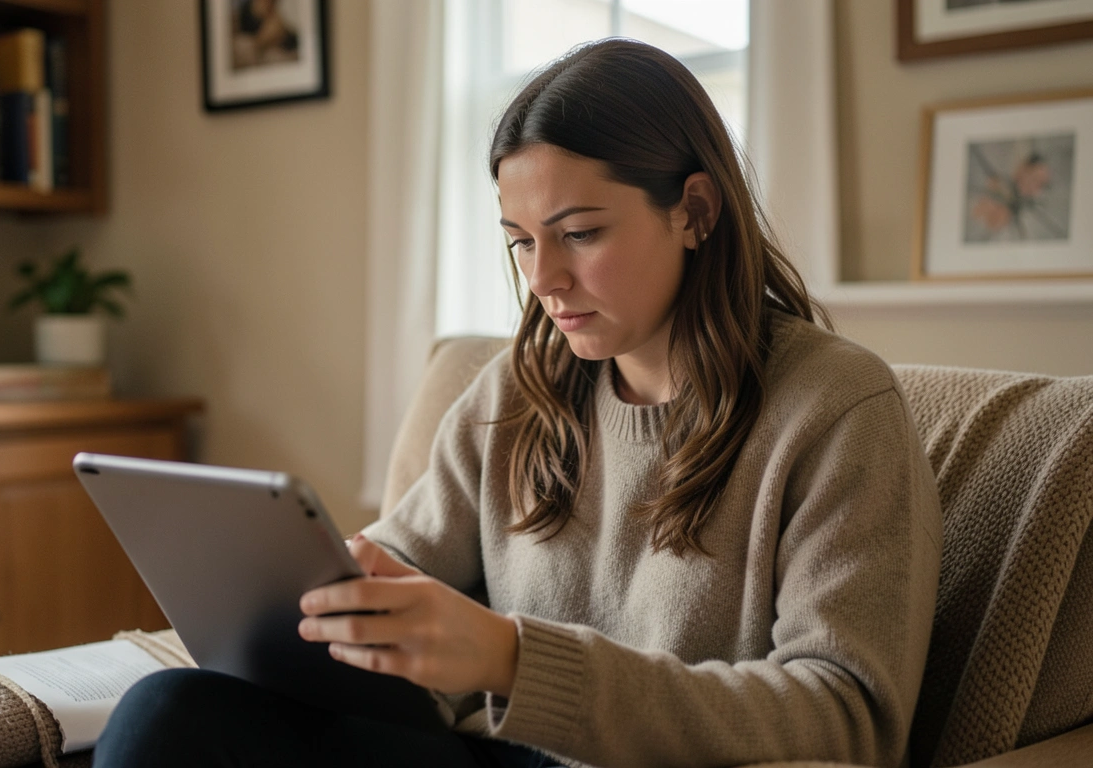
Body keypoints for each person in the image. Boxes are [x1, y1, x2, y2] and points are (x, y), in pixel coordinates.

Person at [93, 38, 943, 768]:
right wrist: (347, 586)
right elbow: (410, 557)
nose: (544, 281)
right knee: (167, 713)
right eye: (521, 242)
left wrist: (514, 659)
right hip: (487, 754)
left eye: (580, 234)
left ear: (694, 210)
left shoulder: (836, 408)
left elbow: (850, 715)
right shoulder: (518, 387)